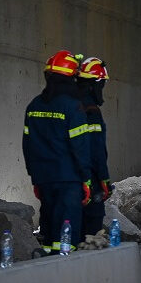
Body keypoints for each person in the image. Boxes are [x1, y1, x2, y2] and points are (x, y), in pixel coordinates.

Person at [23, 50, 92, 253]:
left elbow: (28, 146)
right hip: (69, 180)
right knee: (66, 233)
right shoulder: (73, 107)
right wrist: (86, 179)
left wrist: (35, 177)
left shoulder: (33, 106)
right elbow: (80, 148)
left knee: (49, 227)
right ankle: (66, 270)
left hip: (43, 178)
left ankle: (47, 267)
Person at [77, 57, 112, 237]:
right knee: (92, 231)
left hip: (68, 182)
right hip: (90, 182)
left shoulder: (68, 105)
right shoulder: (91, 110)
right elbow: (96, 151)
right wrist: (104, 180)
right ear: (95, 83)